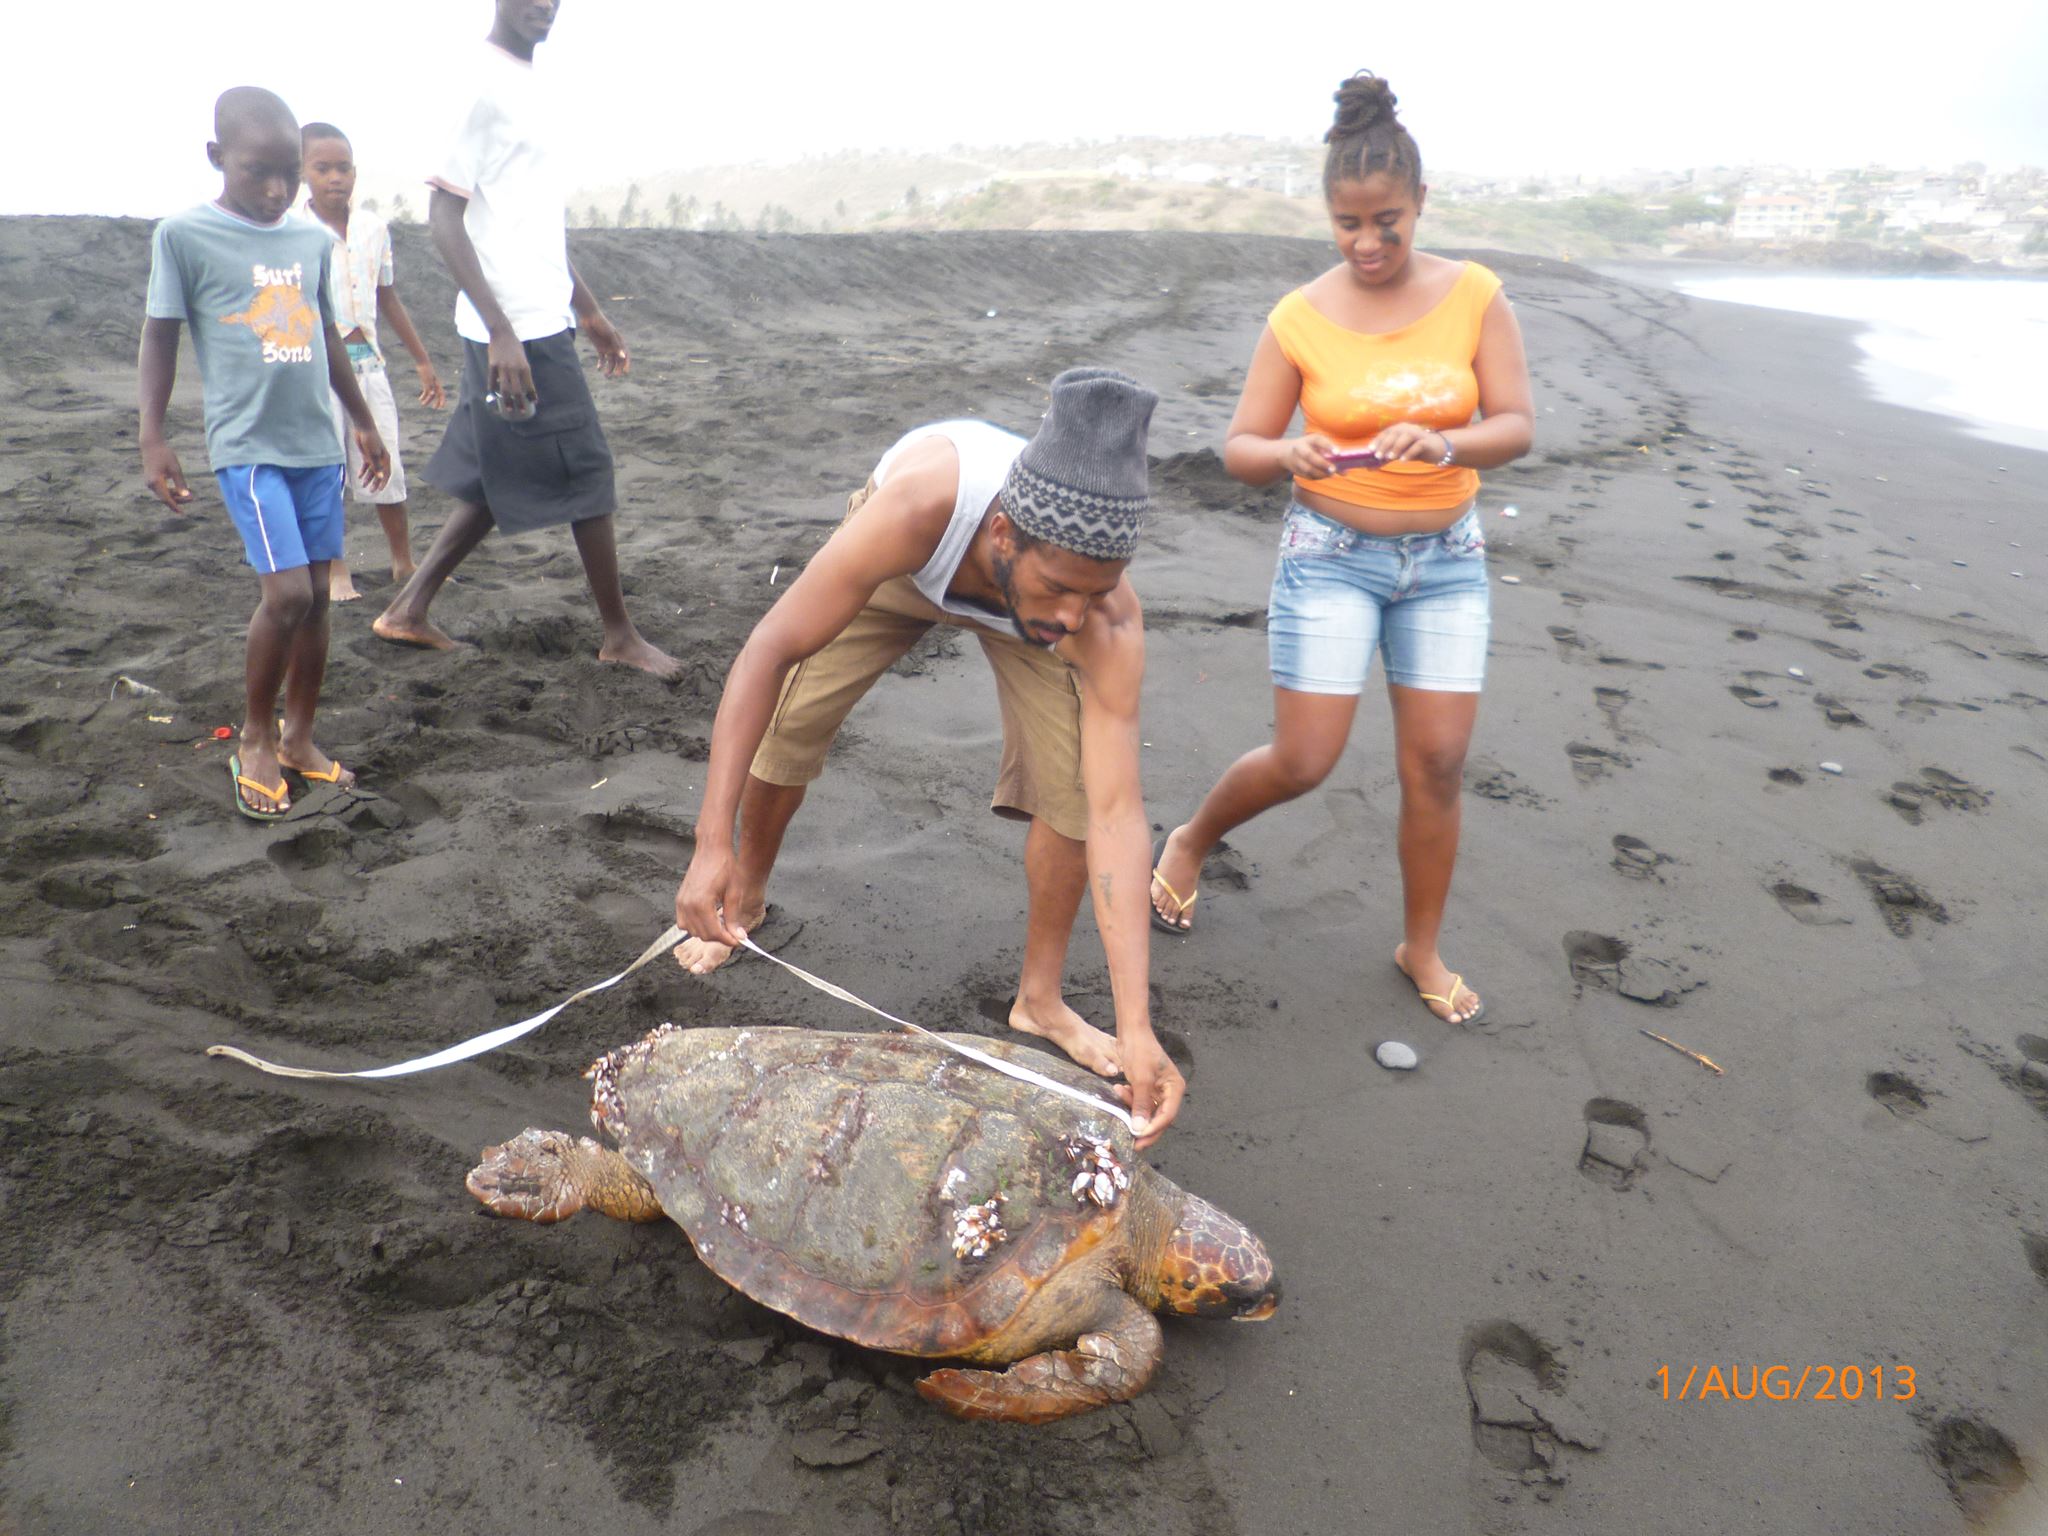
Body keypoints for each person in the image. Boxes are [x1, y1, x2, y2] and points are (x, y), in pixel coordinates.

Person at [672, 368, 1186, 1146]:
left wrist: (1136, 1025)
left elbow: (1118, 811)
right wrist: (711, 845)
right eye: (1061, 588)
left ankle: (1040, 1000)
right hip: (912, 572)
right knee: (790, 725)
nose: (1074, 614)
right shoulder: (916, 509)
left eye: (1098, 590)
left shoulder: (1093, 614)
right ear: (1006, 535)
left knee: (1077, 794)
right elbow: (767, 650)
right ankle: (744, 899)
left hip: (1013, 593)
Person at [1147, 71, 1533, 1027]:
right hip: (1331, 552)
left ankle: (1421, 946)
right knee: (1305, 758)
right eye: (1348, 224)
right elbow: (1239, 449)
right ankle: (1192, 839)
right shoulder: (1299, 316)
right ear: (1329, 214)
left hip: (1446, 558)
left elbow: (1517, 423)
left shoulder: (1476, 295)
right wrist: (1287, 451)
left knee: (1437, 763)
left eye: (1387, 223)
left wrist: (1446, 440)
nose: (1368, 243)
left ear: (1420, 203)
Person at [371, 0, 678, 679]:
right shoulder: (477, 82)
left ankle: (407, 610)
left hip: (540, 315)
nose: (545, 4)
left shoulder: (530, 84)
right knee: (588, 472)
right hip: (514, 331)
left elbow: (526, 222)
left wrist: (590, 309)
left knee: (491, 476)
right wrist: (503, 332)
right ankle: (619, 635)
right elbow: (444, 220)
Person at [140, 86, 391, 821]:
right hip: (247, 447)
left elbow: (323, 337)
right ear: (218, 158)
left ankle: (299, 738)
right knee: (285, 595)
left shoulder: (311, 240)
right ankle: (254, 736)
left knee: (318, 601)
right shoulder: (183, 236)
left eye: (291, 173)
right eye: (258, 172)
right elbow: (160, 336)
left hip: (316, 443)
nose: (278, 190)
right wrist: (153, 434)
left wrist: (364, 422)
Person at [300, 121, 447, 602]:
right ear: (304, 173)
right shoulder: (293, 233)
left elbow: (388, 297)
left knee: (387, 459)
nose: (334, 178)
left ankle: (402, 561)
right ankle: (337, 567)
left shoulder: (373, 228)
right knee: (328, 466)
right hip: (316, 368)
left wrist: (422, 360)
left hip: (368, 364)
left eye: (342, 168)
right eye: (322, 168)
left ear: (356, 173)